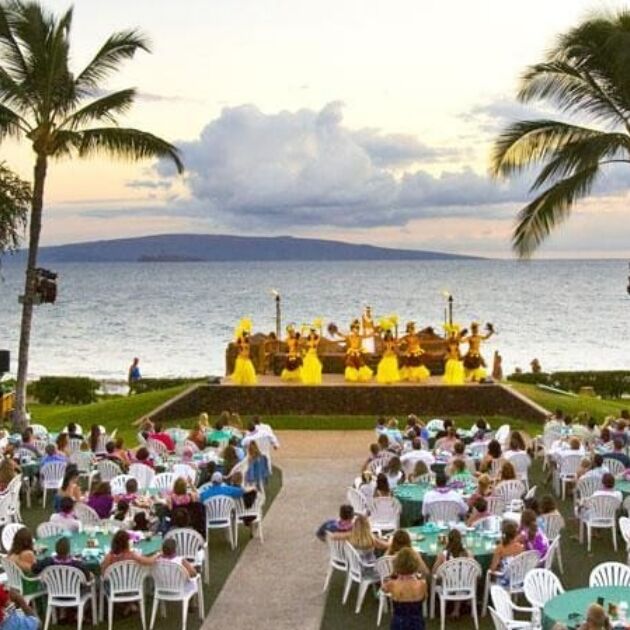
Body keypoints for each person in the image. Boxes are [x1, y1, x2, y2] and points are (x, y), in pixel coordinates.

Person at [381, 547, 427, 630]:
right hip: (416, 622)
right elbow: (424, 597)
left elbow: (383, 589)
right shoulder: (422, 584)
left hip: (399, 622)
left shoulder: (392, 584)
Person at [231, 320, 257, 385]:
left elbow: (248, 348)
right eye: (245, 334)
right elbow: (235, 345)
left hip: (246, 358)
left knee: (248, 373)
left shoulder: (247, 341)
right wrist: (239, 341)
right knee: (241, 373)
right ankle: (242, 383)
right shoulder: (240, 341)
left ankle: (244, 383)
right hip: (241, 358)